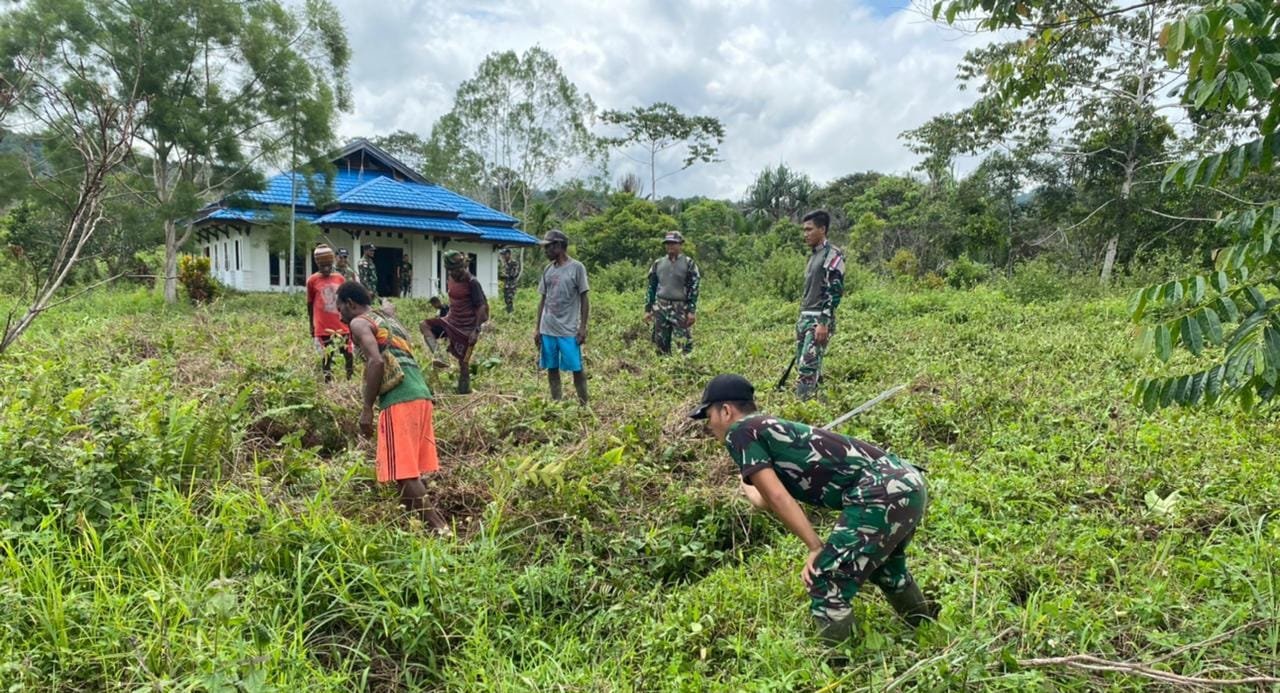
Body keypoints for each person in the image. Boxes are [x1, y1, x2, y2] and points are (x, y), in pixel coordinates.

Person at [690, 373, 936, 644]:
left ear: (726, 411)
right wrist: (746, 478)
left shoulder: (740, 432)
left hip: (879, 490)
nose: (708, 425)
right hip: (907, 482)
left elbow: (778, 497)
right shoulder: (767, 429)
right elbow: (765, 500)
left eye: (708, 415)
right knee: (887, 569)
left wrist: (815, 546)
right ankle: (925, 632)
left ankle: (845, 671)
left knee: (826, 581)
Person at [336, 280, 449, 533]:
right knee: (405, 471)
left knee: (404, 472)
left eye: (340, 309)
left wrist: (366, 408)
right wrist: (387, 304)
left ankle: (441, 529)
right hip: (420, 393)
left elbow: (376, 361)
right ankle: (414, 529)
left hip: (400, 398)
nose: (340, 317)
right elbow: (389, 309)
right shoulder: (385, 318)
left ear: (351, 304)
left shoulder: (359, 322)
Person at [420, 250, 488, 394]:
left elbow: (482, 307)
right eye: (452, 270)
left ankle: (463, 392)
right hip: (450, 322)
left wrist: (476, 331)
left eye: (459, 269)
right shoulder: (450, 278)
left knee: (464, 363)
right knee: (424, 325)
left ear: (464, 266)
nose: (456, 273)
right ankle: (439, 356)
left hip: (467, 329)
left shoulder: (472, 282)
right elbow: (455, 302)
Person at [533, 229, 589, 404]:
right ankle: (556, 402)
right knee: (551, 367)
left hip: (568, 329)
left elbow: (584, 298)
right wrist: (537, 329)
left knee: (576, 368)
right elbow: (542, 299)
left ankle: (583, 404)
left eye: (548, 247)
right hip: (547, 327)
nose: (546, 251)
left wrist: (582, 327)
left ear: (559, 246)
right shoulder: (548, 270)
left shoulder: (577, 268)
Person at [795, 210, 846, 400]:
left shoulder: (832, 255)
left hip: (818, 319)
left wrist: (824, 322)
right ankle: (817, 401)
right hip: (805, 318)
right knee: (806, 364)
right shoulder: (813, 256)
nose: (805, 234)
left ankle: (803, 409)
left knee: (807, 367)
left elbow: (834, 292)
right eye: (804, 230)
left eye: (809, 229)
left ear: (822, 229)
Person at [644, 230, 700, 355]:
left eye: (673, 243)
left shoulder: (689, 263)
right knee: (660, 341)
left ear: (680, 244)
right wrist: (648, 309)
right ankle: (663, 367)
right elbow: (651, 287)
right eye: (668, 243)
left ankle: (686, 366)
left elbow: (694, 288)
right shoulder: (658, 264)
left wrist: (691, 311)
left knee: (684, 342)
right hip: (661, 306)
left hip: (680, 307)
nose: (670, 246)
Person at [305, 244, 353, 381]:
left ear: (332, 263)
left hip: (341, 324)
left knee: (348, 354)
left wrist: (350, 322)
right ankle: (328, 383)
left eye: (328, 265)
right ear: (317, 264)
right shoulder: (312, 280)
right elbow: (309, 304)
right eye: (322, 266)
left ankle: (349, 379)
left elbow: (346, 302)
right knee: (327, 356)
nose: (326, 269)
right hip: (323, 326)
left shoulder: (340, 278)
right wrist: (311, 325)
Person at [499, 247, 521, 313]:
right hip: (506, 285)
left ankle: (511, 315)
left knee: (510, 301)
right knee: (506, 300)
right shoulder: (505, 264)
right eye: (503, 255)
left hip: (511, 286)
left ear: (509, 254)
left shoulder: (514, 263)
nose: (503, 256)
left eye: (505, 254)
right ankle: (508, 314)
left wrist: (506, 275)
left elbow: (514, 274)